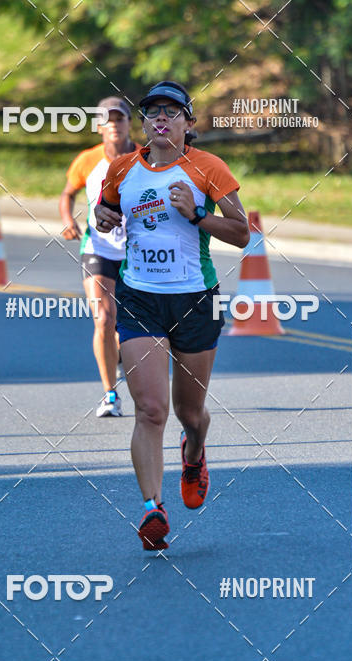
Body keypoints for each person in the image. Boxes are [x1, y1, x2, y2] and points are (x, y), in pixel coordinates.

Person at [95, 81, 249, 550]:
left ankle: (195, 452)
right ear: (144, 123)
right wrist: (103, 218)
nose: (161, 120)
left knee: (190, 412)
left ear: (188, 123)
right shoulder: (122, 169)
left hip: (195, 300)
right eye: (153, 113)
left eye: (171, 112)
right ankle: (152, 509)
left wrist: (198, 215)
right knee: (151, 409)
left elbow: (243, 233)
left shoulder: (209, 168)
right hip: (140, 298)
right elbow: (105, 211)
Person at [60, 97, 138, 417]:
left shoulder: (145, 158)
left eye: (120, 119)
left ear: (130, 123)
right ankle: (110, 395)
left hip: (137, 251)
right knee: (103, 318)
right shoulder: (88, 159)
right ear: (98, 126)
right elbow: (68, 192)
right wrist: (68, 219)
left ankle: (117, 353)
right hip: (98, 248)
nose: (114, 125)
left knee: (129, 324)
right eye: (108, 120)